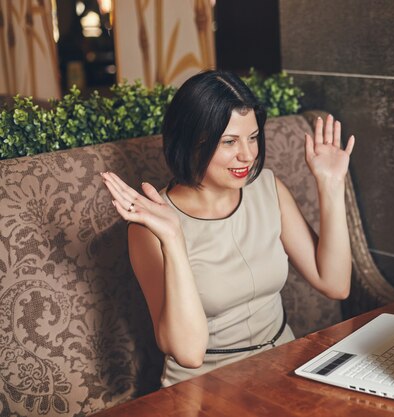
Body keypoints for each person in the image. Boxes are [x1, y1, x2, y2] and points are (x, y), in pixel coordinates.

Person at [100, 70, 356, 386]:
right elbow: (189, 354)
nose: (247, 155)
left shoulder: (267, 188)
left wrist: (330, 185)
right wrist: (173, 239)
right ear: (191, 142)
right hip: (206, 386)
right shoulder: (150, 225)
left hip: (284, 367)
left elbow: (335, 283)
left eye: (252, 137)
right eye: (229, 141)